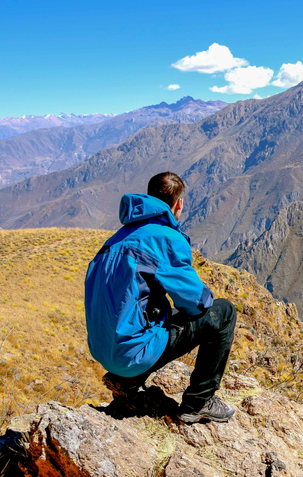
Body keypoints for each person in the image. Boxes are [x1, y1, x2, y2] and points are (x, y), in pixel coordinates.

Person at [84, 171, 237, 423]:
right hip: (132, 353)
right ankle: (199, 401)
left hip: (104, 349)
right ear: (179, 204)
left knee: (160, 316)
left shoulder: (116, 239)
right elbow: (196, 302)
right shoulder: (165, 239)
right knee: (223, 312)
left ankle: (126, 380)